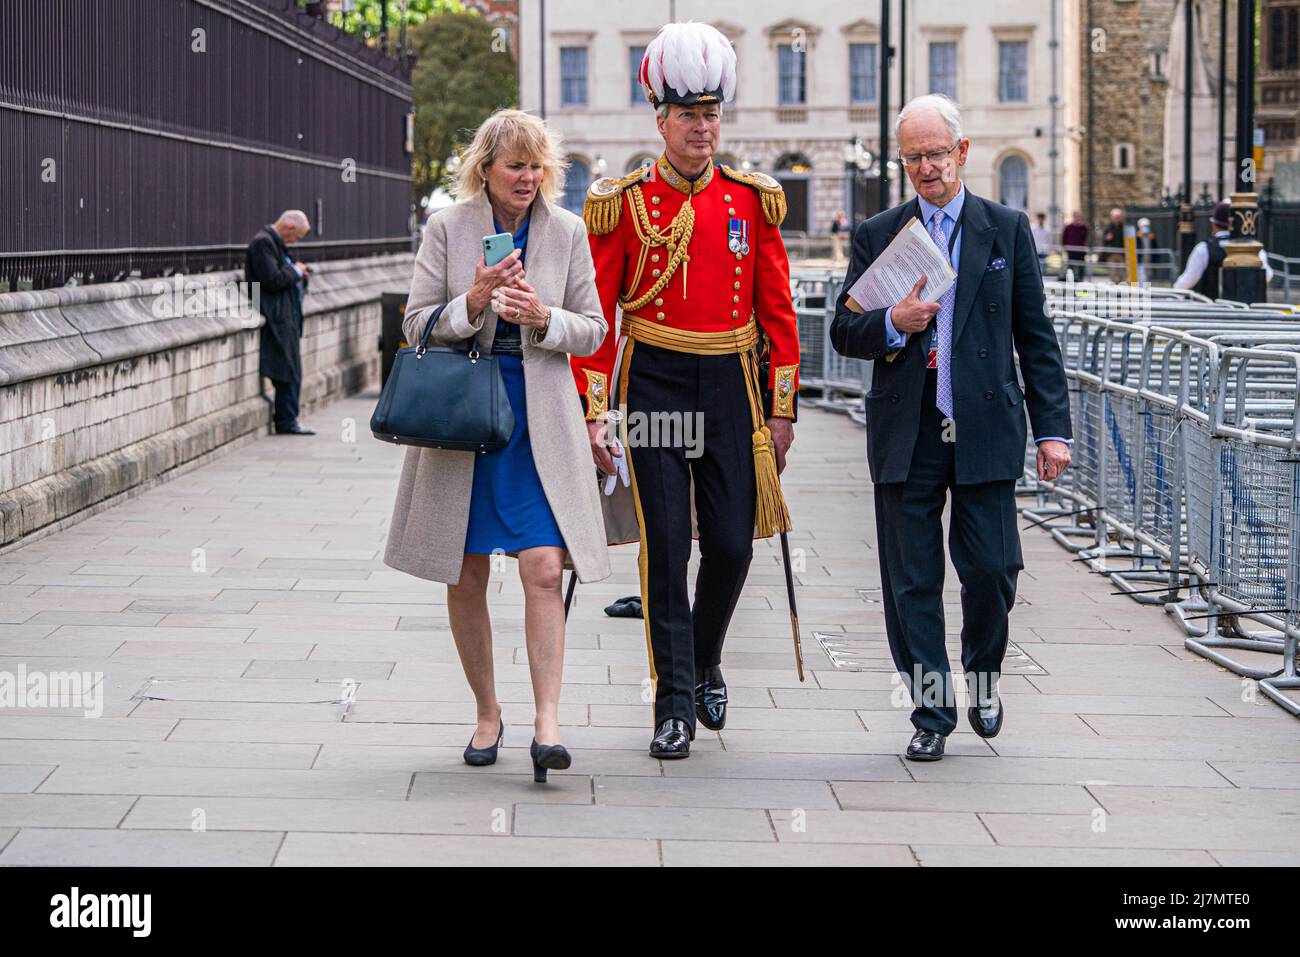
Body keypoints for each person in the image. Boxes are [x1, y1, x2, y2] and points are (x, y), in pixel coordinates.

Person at [574, 21, 801, 759]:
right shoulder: (624, 204)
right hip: (657, 384)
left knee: (733, 544)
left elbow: (778, 310)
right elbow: (599, 318)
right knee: (666, 547)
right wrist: (596, 409)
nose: (703, 129)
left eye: (711, 115)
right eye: (688, 117)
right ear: (660, 121)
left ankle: (705, 658)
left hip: (731, 385)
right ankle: (671, 703)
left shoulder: (750, 200)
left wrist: (782, 405)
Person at [829, 94, 1073, 762]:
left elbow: (1036, 335)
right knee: (910, 579)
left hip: (984, 424)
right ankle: (932, 708)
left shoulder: (1004, 227)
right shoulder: (880, 233)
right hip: (907, 428)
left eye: (937, 154)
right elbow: (844, 328)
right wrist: (890, 324)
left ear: (962, 153)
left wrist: (1055, 430)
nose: (926, 168)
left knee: (992, 569)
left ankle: (984, 674)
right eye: (913, 157)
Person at [383, 109, 611, 784]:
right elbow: (416, 321)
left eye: (538, 166)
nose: (528, 177)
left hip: (539, 418)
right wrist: (472, 303)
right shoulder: (447, 228)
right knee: (468, 571)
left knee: (544, 564)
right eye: (516, 165)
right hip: (464, 418)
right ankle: (488, 711)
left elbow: (596, 329)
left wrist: (544, 318)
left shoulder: (567, 232)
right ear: (485, 168)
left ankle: (548, 723)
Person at [247, 210, 314, 435]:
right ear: (289, 227)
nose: (296, 241)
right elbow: (272, 279)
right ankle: (286, 420)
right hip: (276, 314)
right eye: (297, 236)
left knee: (292, 366)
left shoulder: (274, 243)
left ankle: (289, 417)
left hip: (286, 314)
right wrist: (295, 271)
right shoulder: (263, 243)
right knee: (286, 367)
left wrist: (297, 273)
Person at [1173, 200, 1274, 297]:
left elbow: (1187, 281)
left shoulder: (1203, 249)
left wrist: (1172, 296)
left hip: (1211, 309)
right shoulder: (1254, 249)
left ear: (1214, 225)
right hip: (1245, 310)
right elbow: (1268, 275)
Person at [1061, 210, 1089, 280]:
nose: (1077, 218)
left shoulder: (1084, 227)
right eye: (1076, 216)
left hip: (1081, 251)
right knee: (1071, 267)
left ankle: (1080, 280)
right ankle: (1070, 280)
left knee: (1081, 267)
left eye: (1079, 216)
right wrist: (1066, 248)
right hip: (1071, 250)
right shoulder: (1068, 227)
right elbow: (1064, 238)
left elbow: (1086, 238)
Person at [1101, 206, 1126, 272]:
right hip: (1111, 254)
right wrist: (1107, 238)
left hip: (1122, 253)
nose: (1116, 218)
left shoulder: (1124, 227)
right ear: (1112, 217)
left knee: (1121, 272)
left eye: (1118, 217)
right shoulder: (1108, 228)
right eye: (1115, 217)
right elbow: (1103, 239)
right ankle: (1115, 282)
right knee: (1113, 272)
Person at [1135, 217, 1155, 284]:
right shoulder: (1136, 236)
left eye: (1147, 226)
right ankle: (1137, 293)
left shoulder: (1151, 236)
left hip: (1148, 261)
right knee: (1141, 278)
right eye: (1143, 226)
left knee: (1147, 278)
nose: (1145, 228)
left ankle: (1145, 294)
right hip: (1140, 261)